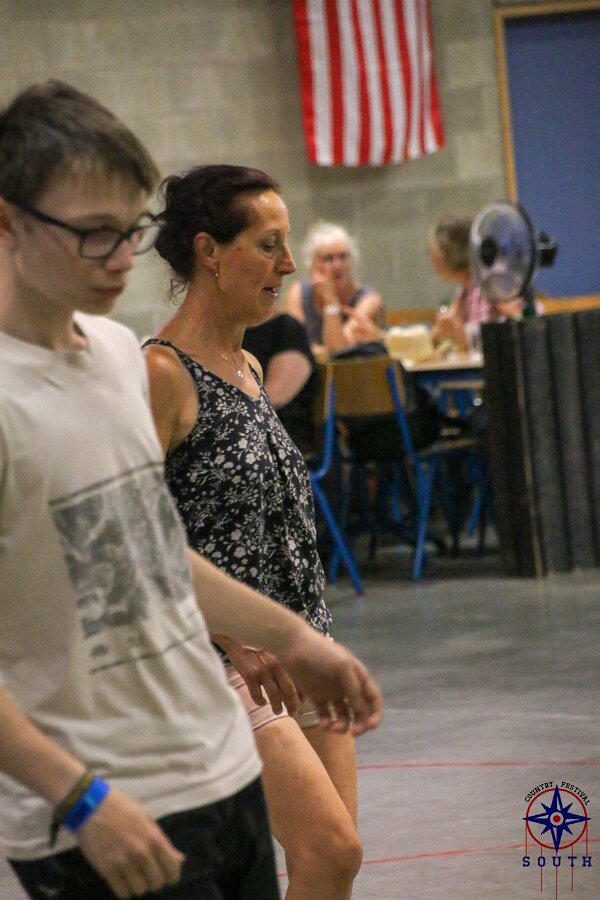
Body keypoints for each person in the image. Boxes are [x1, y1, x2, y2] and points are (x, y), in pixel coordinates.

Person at [0, 81, 382, 900]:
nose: (121, 258)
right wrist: (81, 797)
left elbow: (148, 552)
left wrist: (296, 638)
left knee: (333, 858)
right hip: (97, 802)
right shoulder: (109, 376)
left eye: (131, 230)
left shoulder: (109, 354)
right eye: (93, 232)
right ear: (8, 223)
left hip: (209, 768)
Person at [143, 165, 363, 900]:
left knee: (337, 860)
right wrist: (233, 635)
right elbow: (134, 539)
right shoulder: (161, 373)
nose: (289, 265)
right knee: (329, 850)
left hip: (302, 642)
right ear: (209, 251)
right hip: (224, 660)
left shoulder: (247, 364)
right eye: (269, 246)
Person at [285, 220, 384, 356]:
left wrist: (330, 301)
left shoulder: (368, 299)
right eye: (328, 258)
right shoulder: (298, 292)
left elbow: (338, 352)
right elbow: (294, 347)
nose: (337, 265)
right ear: (312, 265)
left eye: (343, 257)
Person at [429, 214, 524, 351]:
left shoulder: (494, 282)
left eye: (434, 251)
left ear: (449, 250)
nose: (431, 259)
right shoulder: (464, 292)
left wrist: (461, 336)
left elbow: (521, 331)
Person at [242, 310, 318, 457]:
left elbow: (273, 399)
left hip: (278, 437)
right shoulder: (220, 335)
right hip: (239, 433)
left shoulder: (285, 329)